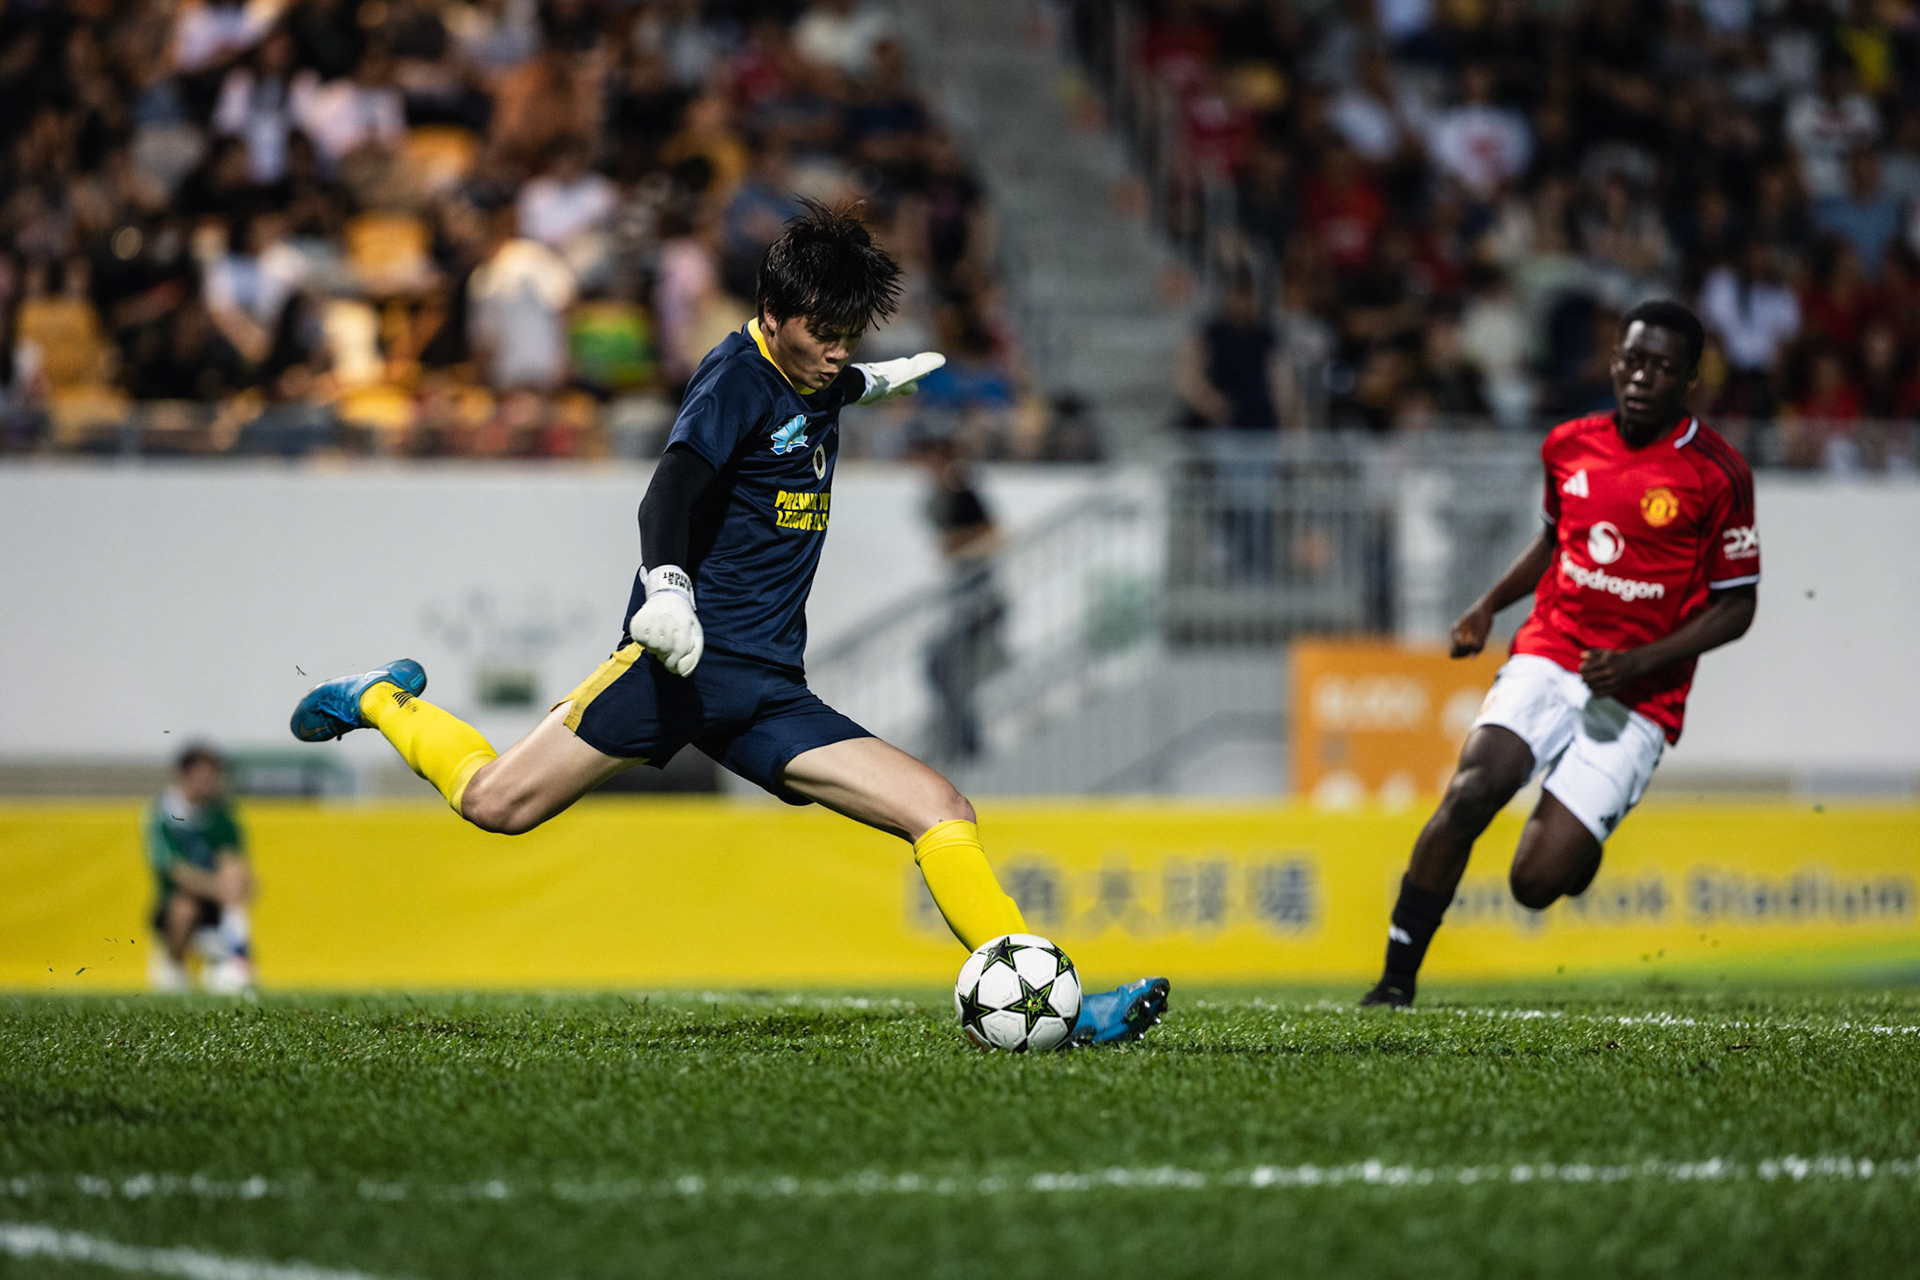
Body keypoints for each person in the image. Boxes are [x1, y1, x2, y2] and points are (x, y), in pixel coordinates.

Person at [290, 202, 1169, 1045]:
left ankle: (1062, 1006)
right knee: (494, 804)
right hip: (678, 668)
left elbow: (832, 388)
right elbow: (669, 488)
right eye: (824, 336)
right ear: (772, 314)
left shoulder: (818, 372)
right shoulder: (735, 376)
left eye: (850, 338)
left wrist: (876, 379)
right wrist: (667, 589)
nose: (837, 355)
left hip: (767, 692)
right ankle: (380, 698)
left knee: (941, 808)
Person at [1360, 300, 1760, 1008]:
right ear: (1614, 361)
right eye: (1631, 360)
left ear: (1690, 380)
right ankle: (1395, 978)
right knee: (1473, 790)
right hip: (1552, 650)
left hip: (1642, 691)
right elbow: (1556, 539)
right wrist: (1489, 605)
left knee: (1534, 883)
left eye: (1662, 368)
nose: (1641, 378)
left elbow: (1738, 606)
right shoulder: (1570, 444)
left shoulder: (1718, 474)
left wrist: (1638, 662)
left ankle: (1579, 851)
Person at [145, 744, 255, 993]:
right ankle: (176, 967)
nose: (210, 782)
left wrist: (236, 883)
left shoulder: (221, 814)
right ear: (184, 776)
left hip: (217, 901)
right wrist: (221, 890)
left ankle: (234, 962)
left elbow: (232, 859)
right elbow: (175, 870)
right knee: (185, 907)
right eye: (203, 776)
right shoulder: (162, 814)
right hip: (177, 901)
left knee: (237, 875)